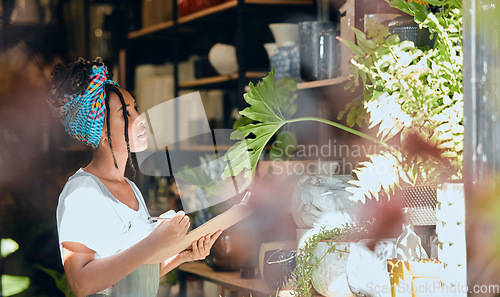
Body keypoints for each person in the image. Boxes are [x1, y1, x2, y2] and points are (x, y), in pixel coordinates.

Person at [48, 57, 222, 297]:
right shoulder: (82, 192)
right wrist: (155, 242)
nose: (140, 118)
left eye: (135, 108)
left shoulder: (130, 188)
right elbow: (81, 283)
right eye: (125, 113)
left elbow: (131, 274)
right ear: (101, 131)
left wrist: (182, 255)